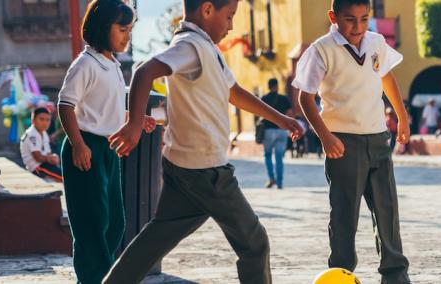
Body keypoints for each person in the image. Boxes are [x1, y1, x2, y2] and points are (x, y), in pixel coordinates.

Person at [104, 0, 304, 282]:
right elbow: (144, 71)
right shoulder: (190, 46)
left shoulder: (206, 47)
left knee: (154, 241)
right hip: (206, 170)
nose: (232, 25)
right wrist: (135, 123)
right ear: (207, 10)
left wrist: (280, 119)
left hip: (185, 167)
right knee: (254, 243)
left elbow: (234, 92)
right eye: (230, 16)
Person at [290, 0, 412, 282]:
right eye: (349, 20)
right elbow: (305, 98)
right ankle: (341, 273)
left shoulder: (376, 41)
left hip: (379, 137)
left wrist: (402, 117)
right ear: (333, 17)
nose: (357, 27)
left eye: (364, 19)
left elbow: (387, 78)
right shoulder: (321, 49)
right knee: (345, 214)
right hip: (343, 143)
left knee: (387, 210)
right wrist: (325, 136)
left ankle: (395, 273)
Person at [54, 2, 152, 282]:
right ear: (101, 26)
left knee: (115, 223)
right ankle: (93, 278)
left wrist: (135, 119)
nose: (127, 36)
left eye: (130, 30)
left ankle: (101, 275)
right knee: (92, 223)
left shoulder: (112, 65)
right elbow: (66, 104)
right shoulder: (85, 63)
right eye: (122, 29)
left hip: (107, 150)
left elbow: (103, 109)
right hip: (85, 147)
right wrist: (77, 144)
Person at [260, 78, 294, 189]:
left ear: (268, 86)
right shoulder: (284, 98)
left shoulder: (264, 98)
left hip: (268, 131)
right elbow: (289, 113)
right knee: (279, 157)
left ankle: (271, 179)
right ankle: (280, 183)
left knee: (268, 155)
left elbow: (260, 114)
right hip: (281, 131)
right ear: (277, 86)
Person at [20, 107, 62, 182]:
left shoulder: (44, 133)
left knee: (65, 173)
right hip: (36, 168)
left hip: (45, 164)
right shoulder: (31, 134)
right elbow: (38, 158)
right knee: (65, 178)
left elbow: (48, 153)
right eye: (41, 119)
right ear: (33, 120)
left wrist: (53, 158)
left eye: (47, 120)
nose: (45, 123)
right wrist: (50, 158)